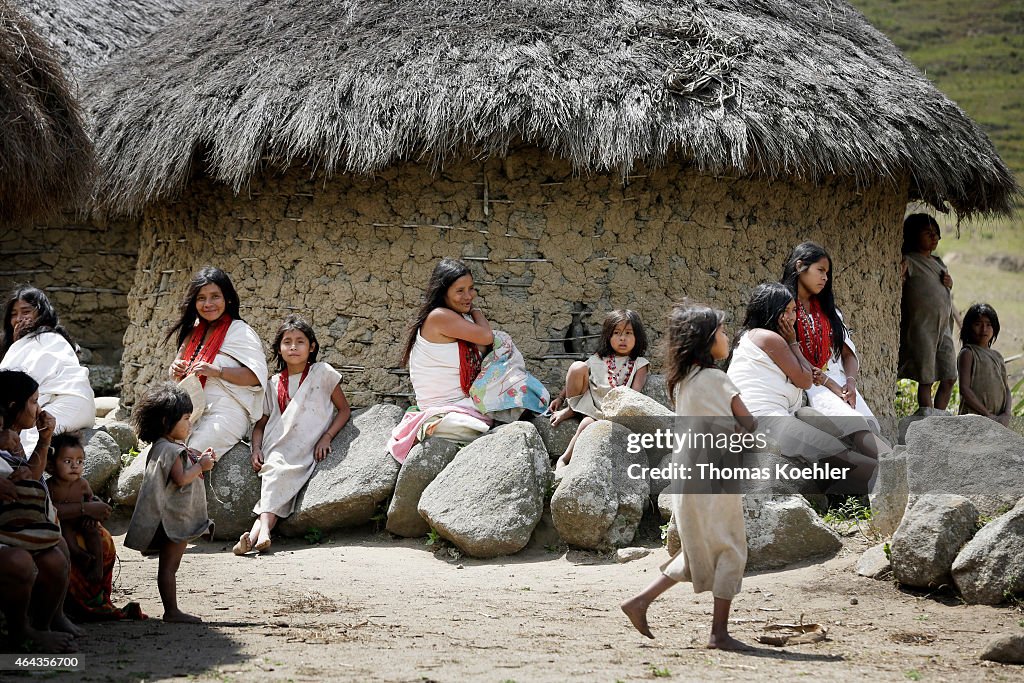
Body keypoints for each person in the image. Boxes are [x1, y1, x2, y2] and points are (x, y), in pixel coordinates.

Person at [621, 303, 755, 650]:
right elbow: (750, 421)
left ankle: (640, 601)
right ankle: (719, 633)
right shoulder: (718, 378)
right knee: (730, 548)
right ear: (708, 341)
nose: (727, 338)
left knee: (700, 549)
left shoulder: (683, 381)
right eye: (723, 332)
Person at [727, 283, 877, 492]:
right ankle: (896, 476)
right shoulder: (769, 338)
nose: (791, 317)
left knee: (817, 425)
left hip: (762, 419)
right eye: (784, 311)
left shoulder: (751, 336)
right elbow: (805, 380)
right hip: (765, 421)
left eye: (793, 310)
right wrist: (793, 343)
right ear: (768, 312)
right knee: (835, 452)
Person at [237, 316, 351, 555]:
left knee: (277, 480)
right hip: (277, 446)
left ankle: (256, 534)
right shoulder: (273, 383)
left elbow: (344, 410)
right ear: (279, 348)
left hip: (307, 445)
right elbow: (261, 424)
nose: (293, 347)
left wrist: (327, 436)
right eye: (287, 342)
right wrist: (256, 449)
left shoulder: (323, 373)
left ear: (312, 347)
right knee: (277, 472)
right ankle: (264, 534)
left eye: (300, 341)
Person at [780, 242, 889, 460]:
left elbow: (848, 354)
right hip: (807, 383)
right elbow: (785, 354)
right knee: (857, 430)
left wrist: (850, 382)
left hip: (839, 383)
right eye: (820, 270)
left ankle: (890, 470)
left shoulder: (830, 312)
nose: (825, 278)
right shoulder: (784, 309)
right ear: (800, 266)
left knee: (868, 432)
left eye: (827, 273)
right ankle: (895, 467)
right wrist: (831, 385)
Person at [0, 369, 78, 651]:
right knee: (19, 562)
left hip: (16, 523)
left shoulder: (14, 439)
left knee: (57, 554)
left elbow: (31, 476)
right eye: (33, 401)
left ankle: (46, 623)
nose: (39, 408)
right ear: (13, 406)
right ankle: (21, 633)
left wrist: (44, 439)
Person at [388, 259, 494, 463]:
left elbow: (485, 343)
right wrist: (476, 311)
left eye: (471, 289)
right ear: (443, 292)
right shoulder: (440, 317)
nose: (468, 296)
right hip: (444, 409)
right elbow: (486, 337)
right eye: (460, 290)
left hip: (458, 404)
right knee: (472, 426)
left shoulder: (454, 318)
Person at [124, 383, 215, 623]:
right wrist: (201, 466)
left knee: (167, 567)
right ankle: (171, 611)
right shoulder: (170, 450)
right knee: (168, 568)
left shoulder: (162, 447)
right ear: (166, 421)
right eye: (186, 418)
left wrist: (193, 457)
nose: (190, 423)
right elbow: (181, 478)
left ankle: (171, 609)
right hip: (173, 520)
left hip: (167, 516)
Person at [167, 267, 268, 459]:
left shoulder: (240, 331)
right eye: (201, 298)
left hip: (227, 412)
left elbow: (256, 377)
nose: (208, 304)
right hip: (190, 411)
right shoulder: (193, 333)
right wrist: (175, 369)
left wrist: (218, 371)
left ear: (227, 298)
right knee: (164, 452)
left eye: (215, 296)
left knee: (189, 457)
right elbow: (177, 371)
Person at [46, 432, 145, 621]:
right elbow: (51, 510)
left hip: (83, 523)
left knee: (93, 531)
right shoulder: (50, 486)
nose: (75, 466)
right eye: (67, 461)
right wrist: (86, 508)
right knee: (65, 531)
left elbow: (91, 499)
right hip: (64, 524)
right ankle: (79, 555)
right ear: (51, 465)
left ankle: (97, 566)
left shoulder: (82, 484)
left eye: (80, 461)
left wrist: (93, 511)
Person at [548, 309, 650, 469]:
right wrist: (560, 399)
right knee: (577, 367)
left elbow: (634, 394)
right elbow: (574, 378)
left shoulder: (639, 364)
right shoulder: (598, 359)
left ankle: (565, 458)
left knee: (586, 424)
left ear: (637, 337)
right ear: (608, 336)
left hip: (611, 411)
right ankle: (571, 408)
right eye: (616, 333)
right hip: (589, 402)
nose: (622, 338)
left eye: (629, 333)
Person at [1, 286, 95, 454]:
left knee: (25, 434)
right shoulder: (28, 341)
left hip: (68, 403)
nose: (19, 319)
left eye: (26, 312)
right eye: (14, 314)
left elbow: (21, 385)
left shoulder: (47, 338)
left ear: (41, 313)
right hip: (62, 403)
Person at [898, 214, 956, 410]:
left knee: (949, 377)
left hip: (944, 329)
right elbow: (898, 280)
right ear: (914, 236)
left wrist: (950, 283)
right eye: (928, 233)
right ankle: (927, 418)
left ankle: (937, 417)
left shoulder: (939, 263)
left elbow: (943, 290)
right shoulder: (910, 261)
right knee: (927, 379)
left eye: (936, 234)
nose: (934, 237)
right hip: (923, 328)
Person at [958, 303, 1012, 426]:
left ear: (995, 328)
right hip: (973, 420)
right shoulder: (968, 353)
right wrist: (987, 414)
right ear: (969, 327)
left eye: (989, 325)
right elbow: (964, 389)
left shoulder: (997, 357)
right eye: (978, 324)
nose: (983, 329)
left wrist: (1006, 414)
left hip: (998, 420)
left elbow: (1006, 388)